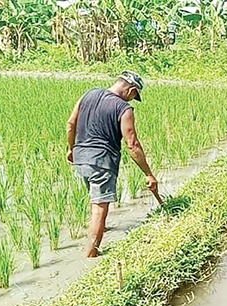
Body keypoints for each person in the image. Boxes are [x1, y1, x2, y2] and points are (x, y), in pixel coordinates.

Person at [66, 71, 159, 258]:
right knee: (99, 210)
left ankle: (100, 230)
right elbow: (132, 143)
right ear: (131, 90)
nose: (132, 100)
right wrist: (148, 173)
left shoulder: (89, 94)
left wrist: (71, 149)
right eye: (134, 96)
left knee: (95, 202)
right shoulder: (124, 109)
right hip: (101, 161)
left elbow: (71, 123)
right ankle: (91, 256)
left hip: (81, 158)